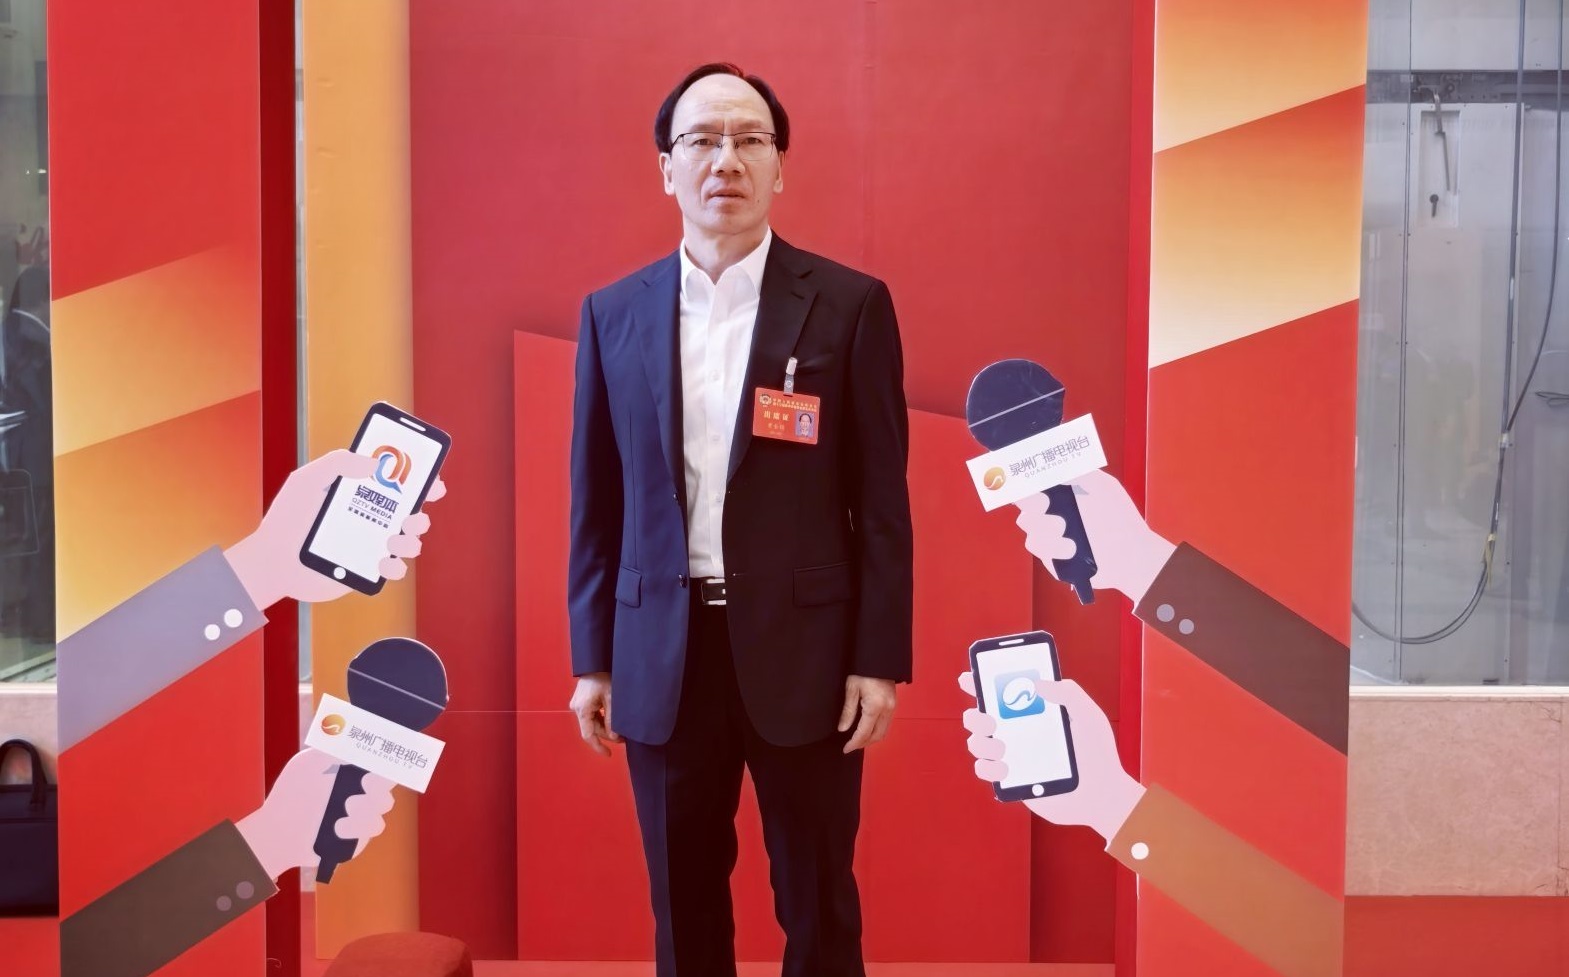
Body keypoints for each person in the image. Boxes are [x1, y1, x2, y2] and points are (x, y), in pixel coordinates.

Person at [567, 62, 914, 977]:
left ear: (779, 165)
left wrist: (877, 660)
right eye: (702, 140)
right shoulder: (613, 314)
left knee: (817, 900)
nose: (725, 159)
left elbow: (881, 501)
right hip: (663, 652)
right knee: (682, 908)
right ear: (666, 167)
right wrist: (593, 657)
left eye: (749, 139)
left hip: (806, 652)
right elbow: (596, 502)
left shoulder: (848, 305)